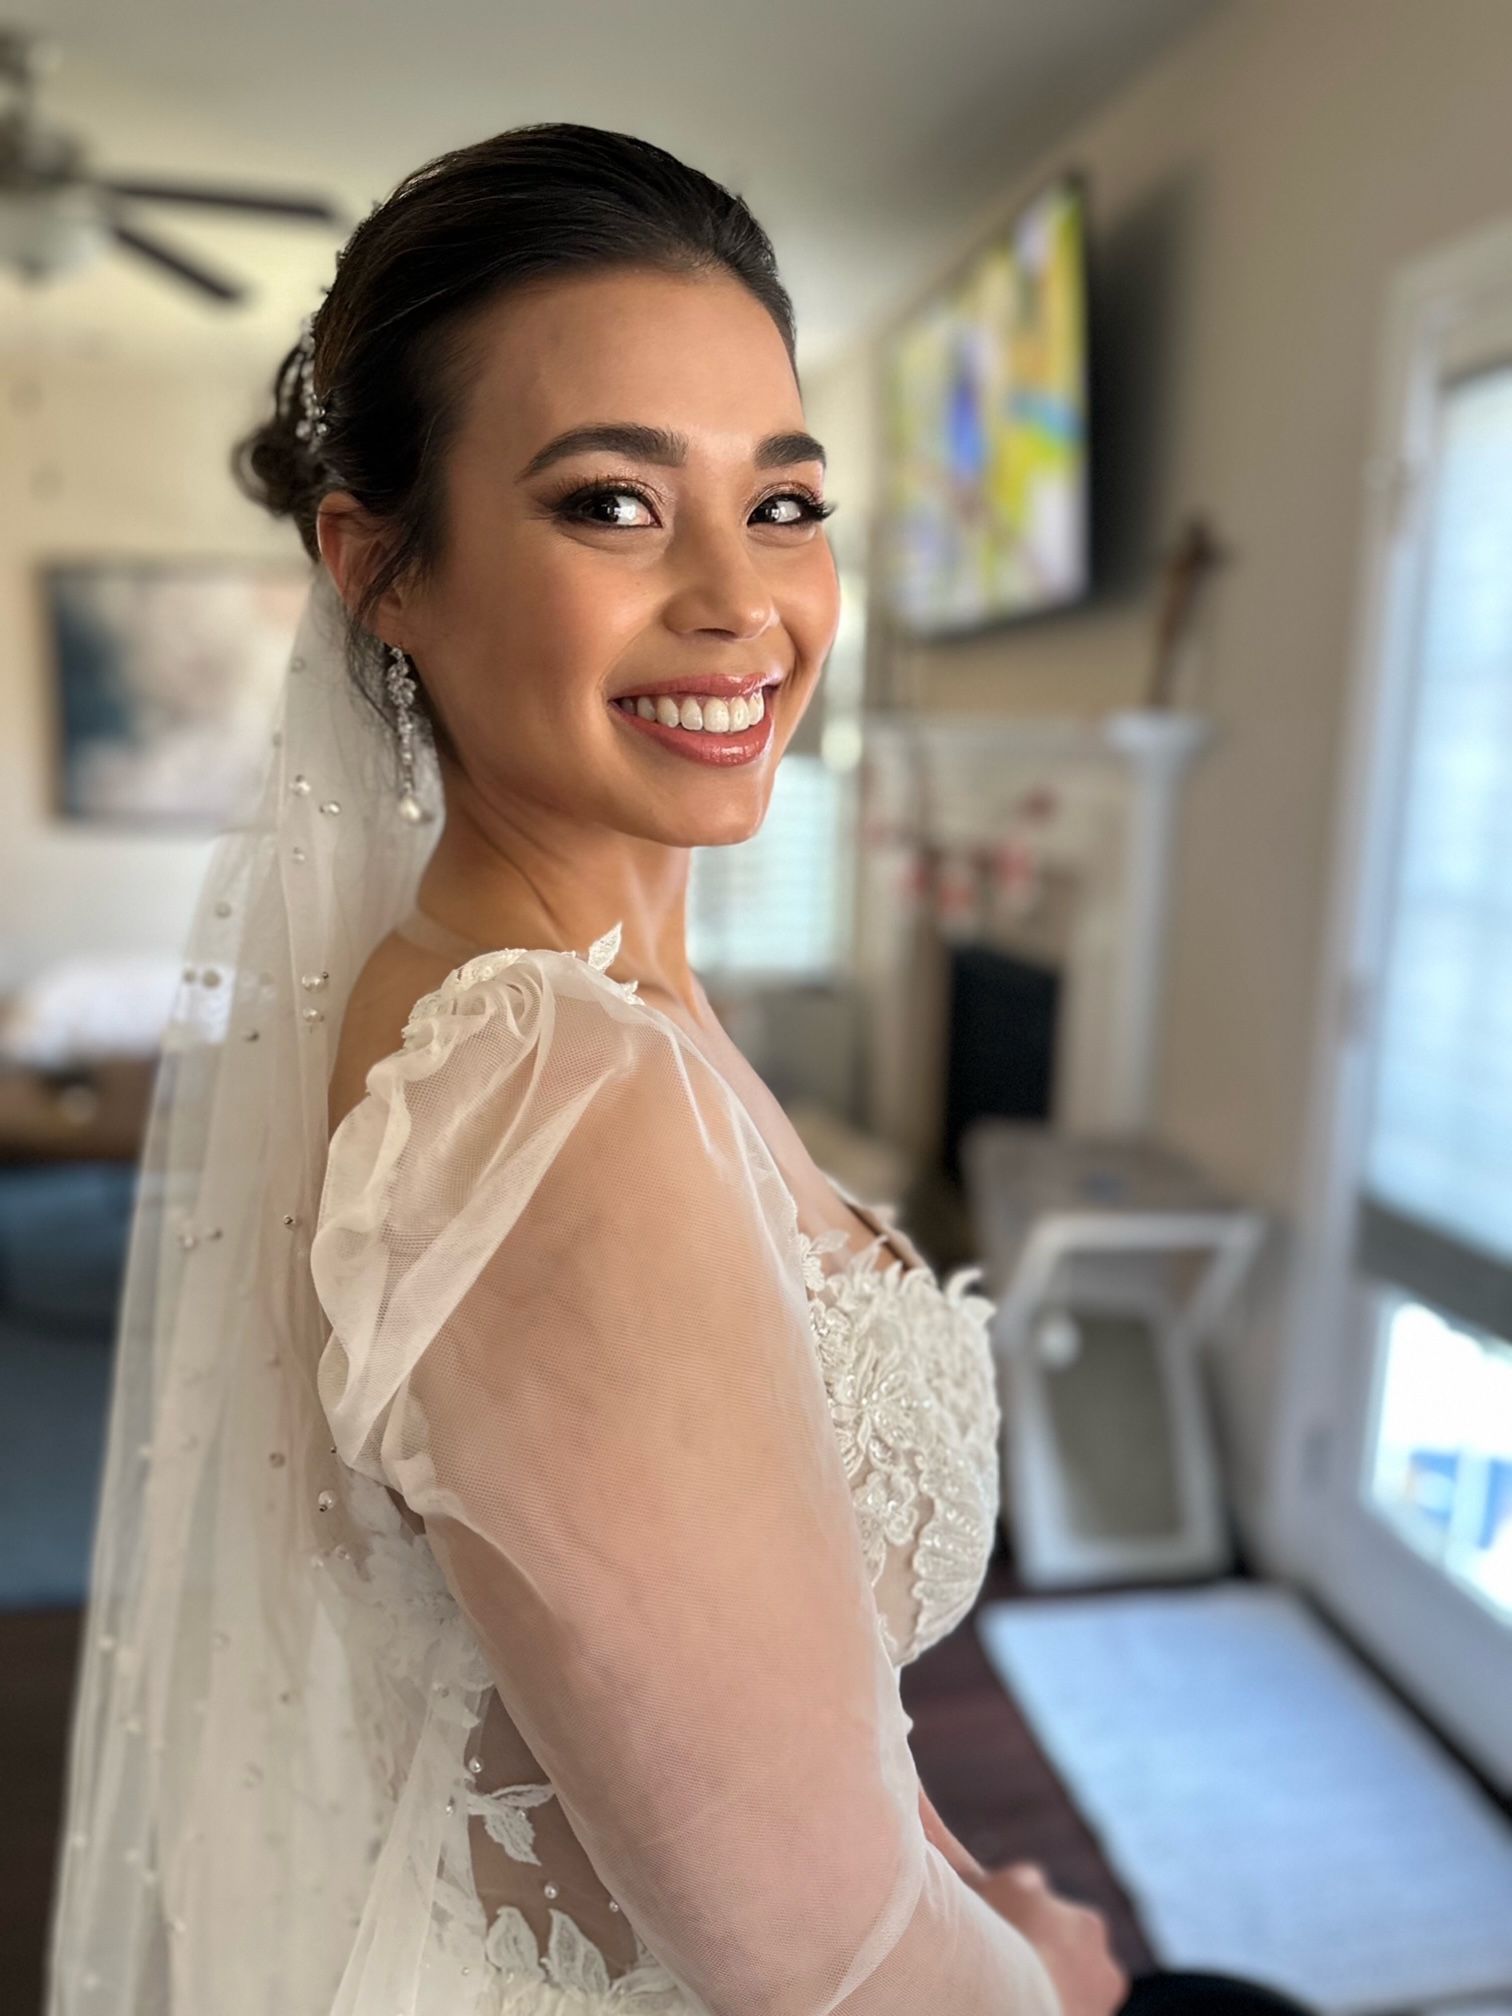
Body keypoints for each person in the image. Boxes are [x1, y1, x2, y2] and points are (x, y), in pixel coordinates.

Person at [44, 122, 1128, 2016]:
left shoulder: (600, 1008)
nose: (740, 601)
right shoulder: (556, 1095)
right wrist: (1068, 1980)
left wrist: (962, 1871)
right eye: (613, 504)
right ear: (381, 569)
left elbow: (783, 1686)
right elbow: (825, 1974)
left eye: (784, 504)